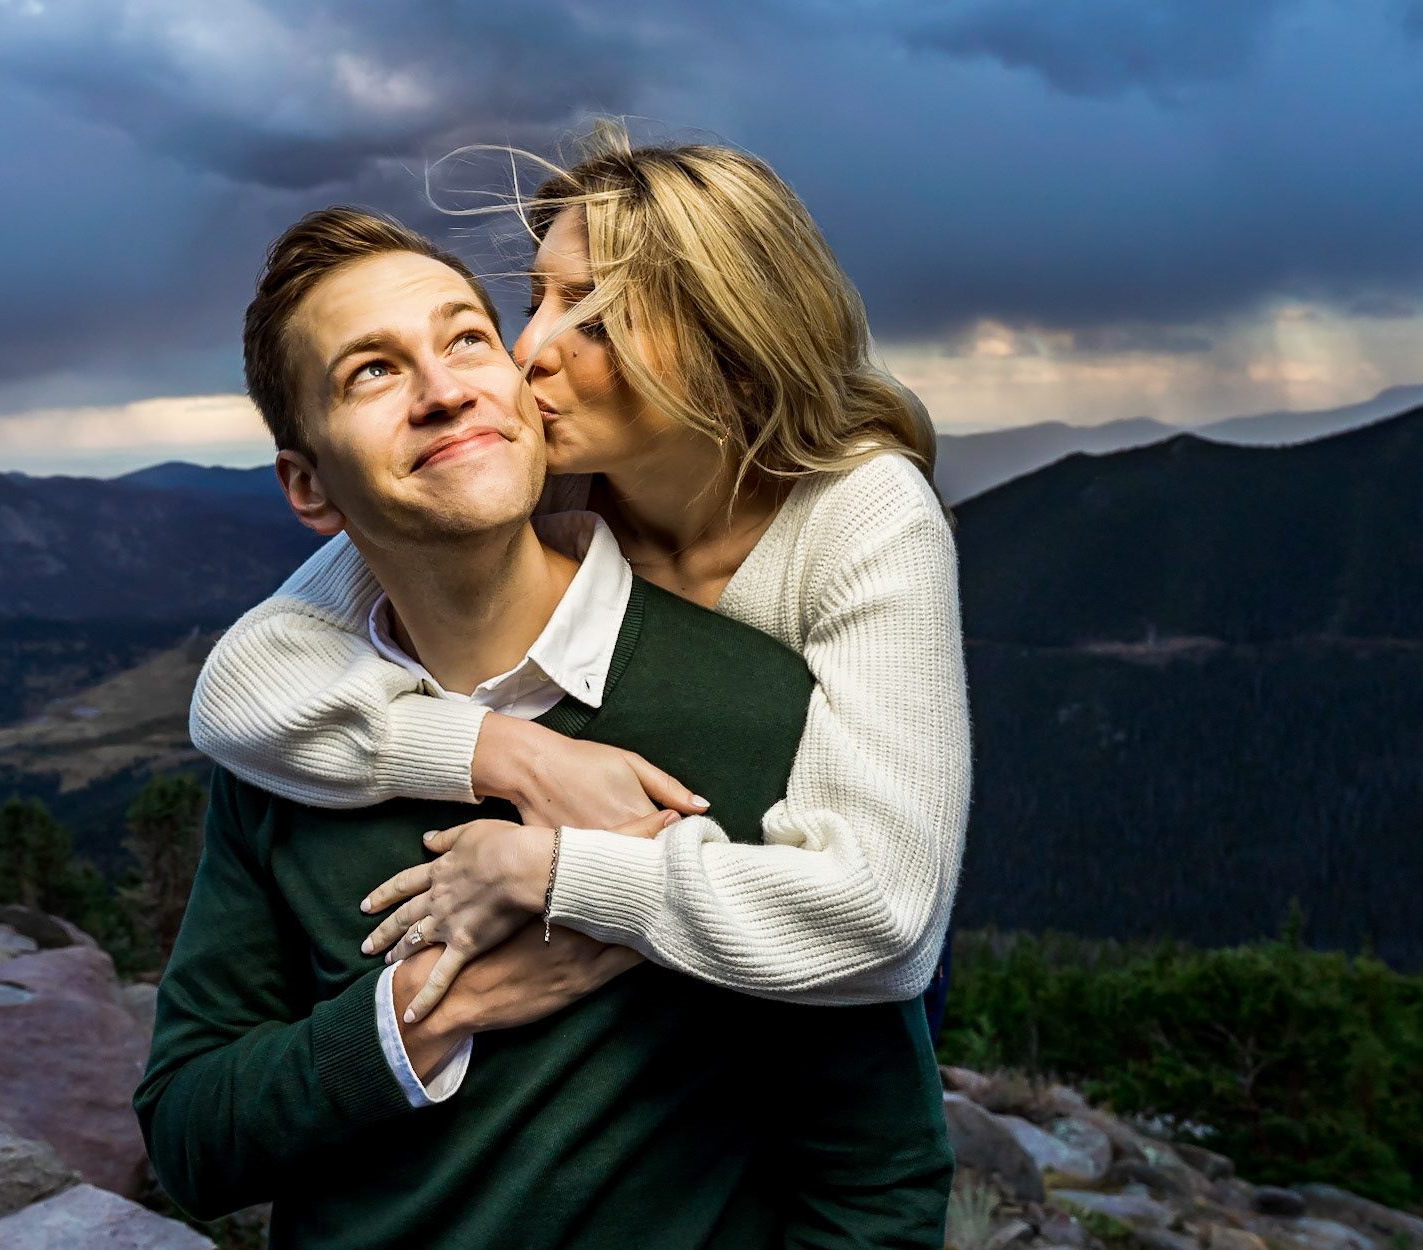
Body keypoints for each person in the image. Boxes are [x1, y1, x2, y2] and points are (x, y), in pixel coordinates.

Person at [135, 208, 951, 1247]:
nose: (443, 390)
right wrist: (433, 1009)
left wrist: (574, 878)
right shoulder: (290, 745)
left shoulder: (754, 709)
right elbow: (189, 1136)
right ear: (308, 487)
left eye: (466, 337)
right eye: (372, 373)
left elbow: (875, 1183)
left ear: (521, 392)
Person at [187, 122, 969, 1024]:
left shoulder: (862, 514)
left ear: (732, 353)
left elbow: (884, 922)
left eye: (590, 317)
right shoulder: (541, 474)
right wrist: (507, 753)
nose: (530, 350)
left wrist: (549, 871)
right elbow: (239, 688)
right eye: (535, 301)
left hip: (819, 974)